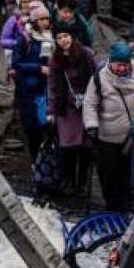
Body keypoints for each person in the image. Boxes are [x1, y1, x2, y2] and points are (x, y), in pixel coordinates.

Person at [83, 43, 134, 212]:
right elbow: (90, 104)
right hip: (107, 138)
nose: (122, 68)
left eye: (125, 64)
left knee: (129, 175)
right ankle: (112, 207)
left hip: (132, 136)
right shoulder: (99, 79)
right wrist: (91, 125)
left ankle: (126, 207)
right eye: (119, 65)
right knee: (110, 176)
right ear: (111, 62)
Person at [46, 25, 98, 197]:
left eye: (66, 36)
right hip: (66, 107)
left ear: (72, 36)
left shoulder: (86, 54)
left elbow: (96, 78)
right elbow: (52, 85)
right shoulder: (55, 59)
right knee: (66, 146)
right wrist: (51, 111)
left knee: (86, 146)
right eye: (59, 37)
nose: (63, 40)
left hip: (86, 105)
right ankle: (68, 180)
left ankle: (82, 183)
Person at [10, 1, 54, 161]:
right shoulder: (25, 39)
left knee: (48, 127)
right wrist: (38, 68)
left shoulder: (49, 38)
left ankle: (48, 163)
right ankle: (36, 162)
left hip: (47, 88)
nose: (44, 22)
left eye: (46, 19)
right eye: (41, 19)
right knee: (33, 130)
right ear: (34, 21)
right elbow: (16, 63)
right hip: (29, 91)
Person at [0, 0, 35, 64]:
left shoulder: (38, 18)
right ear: (19, 4)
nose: (28, 4)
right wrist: (18, 43)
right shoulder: (13, 20)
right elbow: (3, 41)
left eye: (30, 1)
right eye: (24, 2)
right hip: (17, 54)